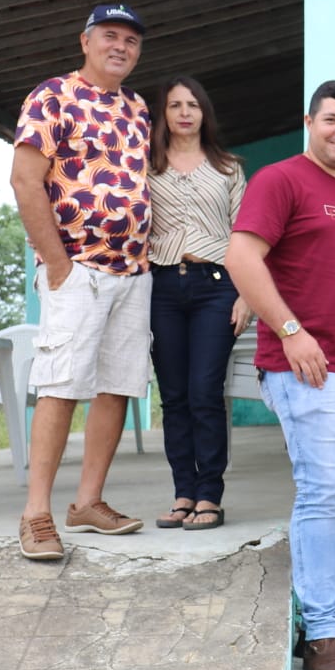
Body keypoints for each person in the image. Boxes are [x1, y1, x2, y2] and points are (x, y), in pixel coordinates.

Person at [225, 80, 335, 670]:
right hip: (308, 368)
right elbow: (241, 258)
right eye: (332, 119)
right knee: (322, 494)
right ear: (309, 121)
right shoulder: (281, 179)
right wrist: (291, 330)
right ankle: (319, 632)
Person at [11, 2, 153, 560]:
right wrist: (57, 263)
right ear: (86, 41)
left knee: (118, 385)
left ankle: (87, 501)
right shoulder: (52, 95)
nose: (121, 46)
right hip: (77, 267)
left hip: (132, 271)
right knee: (61, 384)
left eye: (131, 41)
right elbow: (26, 180)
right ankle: (36, 513)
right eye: (110, 36)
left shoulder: (138, 107)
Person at [147, 76, 251, 532]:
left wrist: (247, 294)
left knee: (204, 392)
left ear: (204, 113)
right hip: (161, 286)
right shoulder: (144, 166)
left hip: (216, 286)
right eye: (175, 105)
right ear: (163, 114)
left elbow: (246, 237)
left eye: (193, 104)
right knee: (173, 397)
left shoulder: (228, 167)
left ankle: (210, 493)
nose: (185, 112)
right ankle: (183, 492)